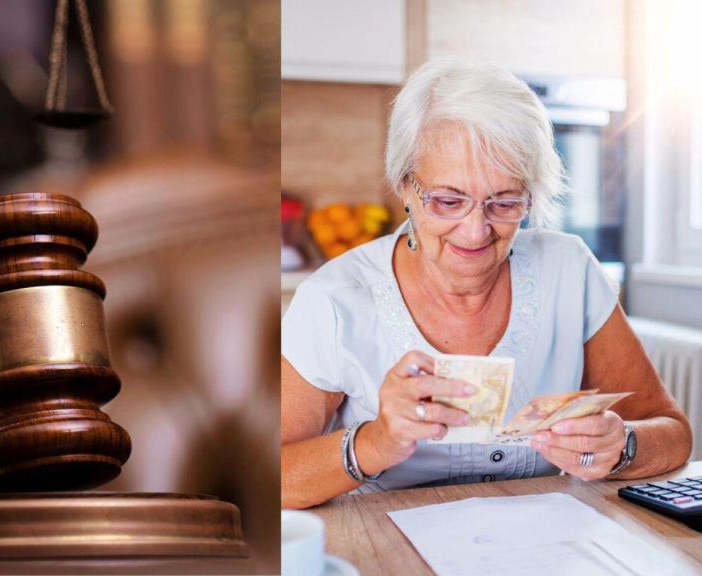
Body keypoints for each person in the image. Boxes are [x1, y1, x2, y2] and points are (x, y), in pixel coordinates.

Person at [281, 58, 692, 509]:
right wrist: (375, 442)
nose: (475, 231)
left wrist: (622, 444)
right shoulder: (334, 300)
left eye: (505, 202)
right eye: (448, 201)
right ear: (404, 187)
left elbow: (671, 431)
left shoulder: (568, 269)